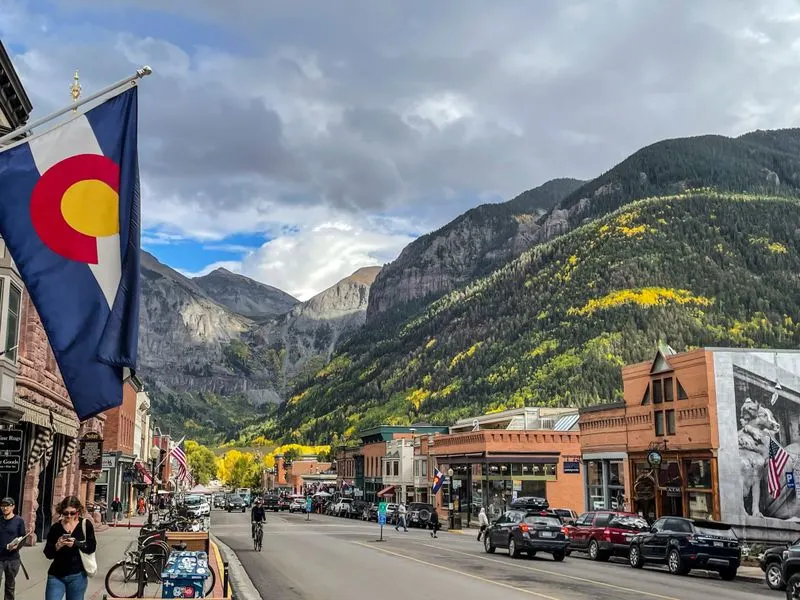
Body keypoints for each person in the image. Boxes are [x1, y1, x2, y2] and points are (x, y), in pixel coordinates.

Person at [43, 496, 97, 600]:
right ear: (61, 511)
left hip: (77, 575)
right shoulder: (56, 527)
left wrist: (76, 543)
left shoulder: (85, 525)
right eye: (65, 513)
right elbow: (48, 553)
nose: (69, 516)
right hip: (56, 575)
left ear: (78, 511)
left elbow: (91, 547)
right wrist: (57, 546)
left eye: (72, 513)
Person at [0, 498, 27, 600]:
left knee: (9, 586)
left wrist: (17, 546)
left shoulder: (19, 521)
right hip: (0, 558)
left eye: (8, 505)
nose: (5, 508)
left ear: (13, 507)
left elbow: (23, 537)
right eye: (3, 505)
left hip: (13, 559)